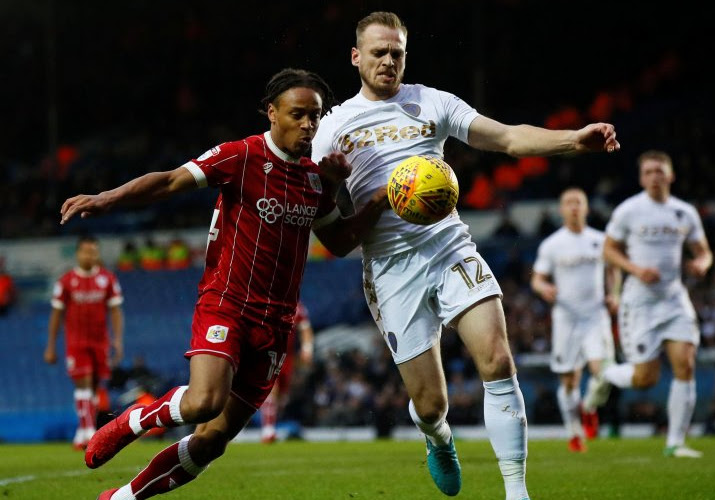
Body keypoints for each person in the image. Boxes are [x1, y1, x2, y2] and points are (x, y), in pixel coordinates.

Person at [310, 11, 620, 499]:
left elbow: (509, 137)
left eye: (397, 53)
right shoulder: (332, 129)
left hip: (449, 246)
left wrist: (572, 141)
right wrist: (330, 184)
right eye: (378, 53)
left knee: (498, 359)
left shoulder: (431, 102)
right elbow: (325, 221)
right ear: (356, 57)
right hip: (391, 267)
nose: (389, 61)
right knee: (431, 403)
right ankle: (438, 437)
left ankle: (516, 491)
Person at [59, 68, 351, 500]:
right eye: (298, 114)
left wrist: (364, 194)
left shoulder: (315, 180)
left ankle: (123, 498)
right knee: (202, 402)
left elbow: (342, 242)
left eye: (315, 116)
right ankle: (136, 418)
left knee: (212, 441)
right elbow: (172, 180)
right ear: (272, 113)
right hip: (227, 303)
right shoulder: (243, 156)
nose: (308, 124)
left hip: (277, 325)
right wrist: (107, 199)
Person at [601, 150, 713, 458]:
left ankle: (675, 443)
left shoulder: (684, 212)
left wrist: (702, 263)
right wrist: (636, 270)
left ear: (671, 175)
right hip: (639, 303)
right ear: (641, 178)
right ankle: (607, 372)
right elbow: (609, 251)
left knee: (686, 365)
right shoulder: (629, 210)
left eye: (660, 171)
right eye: (649, 172)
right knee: (644, 379)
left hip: (675, 299)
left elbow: (703, 251)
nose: (654, 176)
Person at [530, 188, 619, 452]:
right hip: (566, 319)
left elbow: (614, 269)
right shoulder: (552, 244)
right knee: (569, 381)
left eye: (578, 202)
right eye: (568, 203)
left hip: (595, 316)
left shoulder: (600, 240)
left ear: (587, 208)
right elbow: (537, 278)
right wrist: (543, 288)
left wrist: (614, 294)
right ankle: (573, 432)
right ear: (561, 209)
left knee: (603, 372)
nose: (573, 207)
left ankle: (589, 406)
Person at [44, 236, 125, 450]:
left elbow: (115, 310)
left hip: (100, 342)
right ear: (78, 254)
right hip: (76, 342)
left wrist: (117, 340)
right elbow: (56, 315)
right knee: (84, 383)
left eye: (93, 252)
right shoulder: (66, 281)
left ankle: (83, 430)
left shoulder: (107, 279)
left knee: (96, 386)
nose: (90, 255)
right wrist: (51, 345)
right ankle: (89, 432)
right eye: (86, 251)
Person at [260, 301, 315, 443]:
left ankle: (272, 424)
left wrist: (307, 349)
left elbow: (305, 328)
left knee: (282, 397)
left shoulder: (297, 307)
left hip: (287, 359)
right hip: (269, 353)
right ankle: (268, 430)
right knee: (272, 389)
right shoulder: (266, 303)